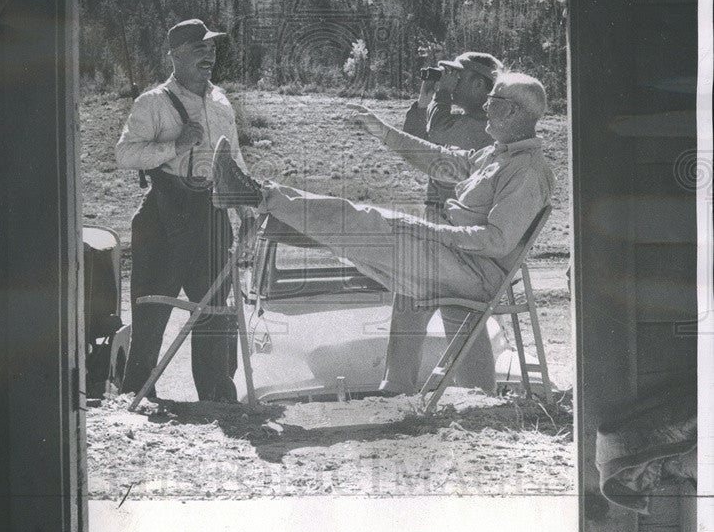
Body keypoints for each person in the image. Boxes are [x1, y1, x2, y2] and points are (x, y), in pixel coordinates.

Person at [210, 73, 555, 393]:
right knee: (394, 271)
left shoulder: (526, 170)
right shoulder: (498, 155)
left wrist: (427, 230)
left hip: (473, 271)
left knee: (368, 221)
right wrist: (383, 132)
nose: (484, 107)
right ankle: (397, 390)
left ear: (510, 111)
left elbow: (496, 241)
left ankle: (258, 197)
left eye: (492, 101)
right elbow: (439, 160)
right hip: (461, 264)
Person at [115, 18, 251, 401]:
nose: (209, 55)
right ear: (175, 55)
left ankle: (218, 398)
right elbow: (124, 154)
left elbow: (234, 157)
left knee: (214, 307)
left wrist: (245, 207)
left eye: (211, 48)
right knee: (153, 307)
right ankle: (139, 395)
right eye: (198, 49)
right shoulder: (153, 102)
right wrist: (174, 146)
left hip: (210, 211)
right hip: (163, 213)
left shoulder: (221, 100)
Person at [386, 52, 502, 395]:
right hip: (443, 226)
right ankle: (401, 385)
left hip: (457, 231)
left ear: (480, 86)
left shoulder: (483, 126)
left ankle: (402, 386)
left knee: (428, 299)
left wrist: (441, 94)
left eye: (459, 78)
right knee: (415, 295)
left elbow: (436, 134)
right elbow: (413, 141)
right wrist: (426, 97)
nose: (451, 84)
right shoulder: (467, 121)